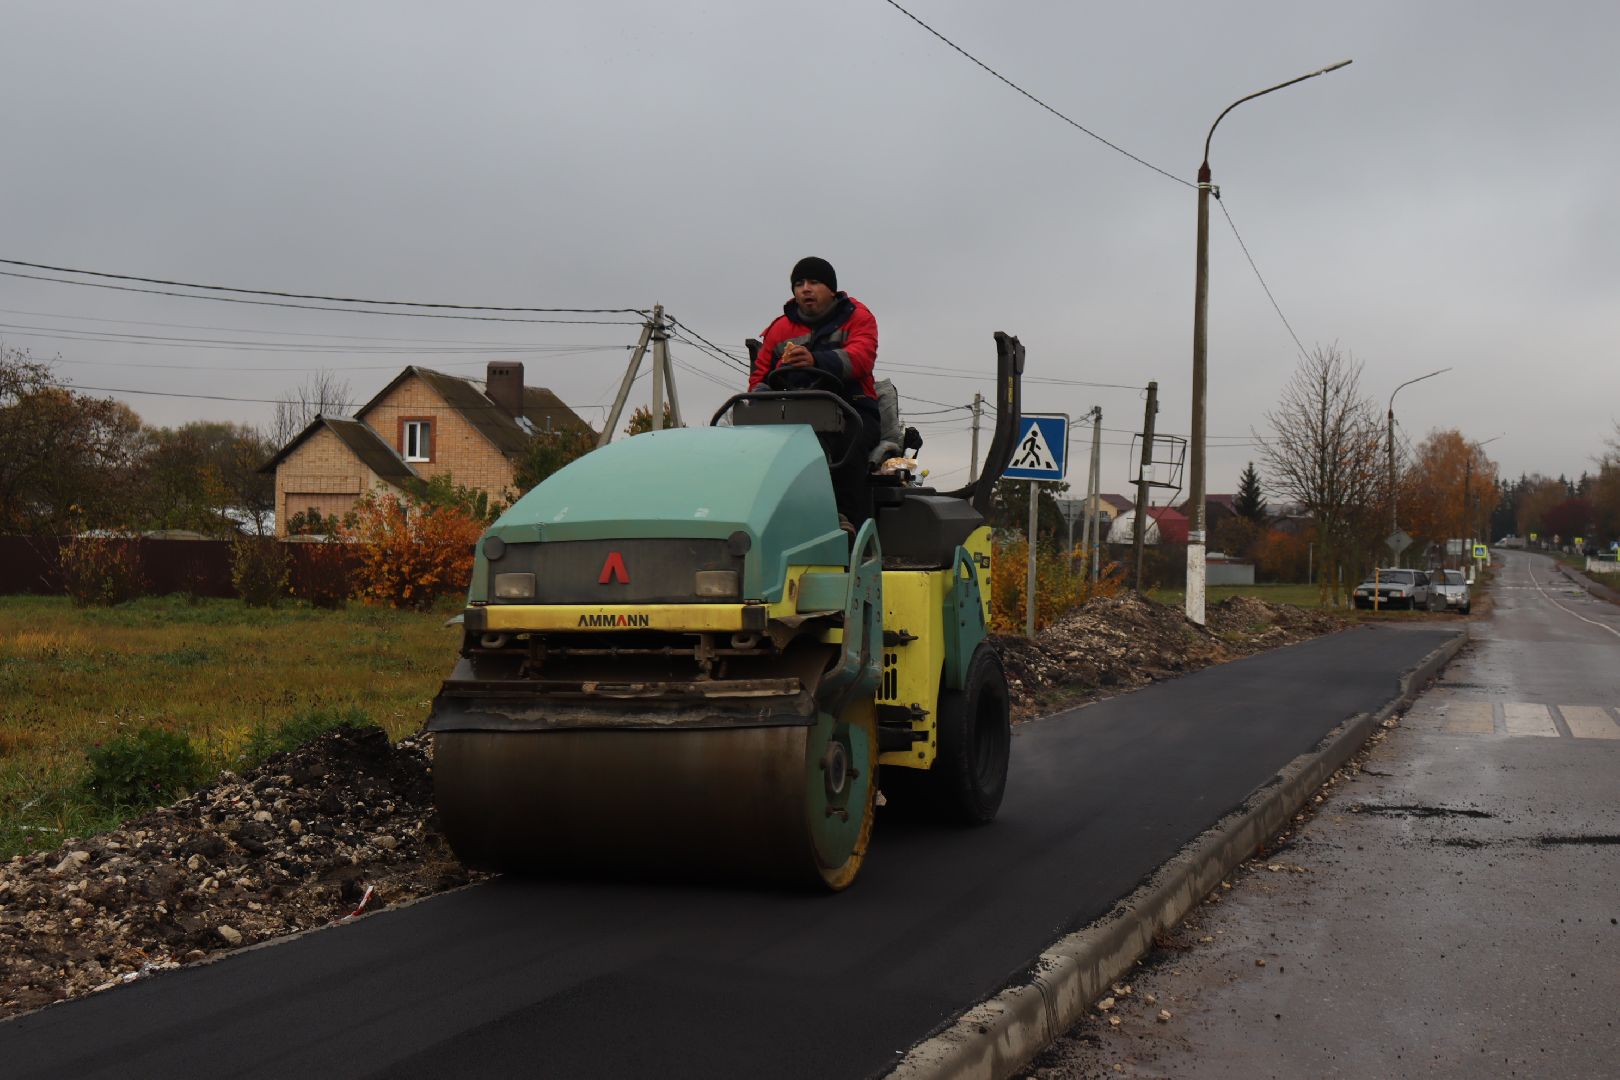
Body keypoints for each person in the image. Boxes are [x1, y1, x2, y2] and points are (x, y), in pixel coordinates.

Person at [750, 257, 881, 528]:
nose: (805, 289)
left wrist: (817, 361)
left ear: (831, 289)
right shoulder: (780, 329)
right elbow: (760, 375)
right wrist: (760, 394)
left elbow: (861, 358)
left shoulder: (858, 318)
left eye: (814, 282)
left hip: (852, 409)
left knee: (848, 448)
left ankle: (848, 525)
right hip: (793, 415)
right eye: (799, 284)